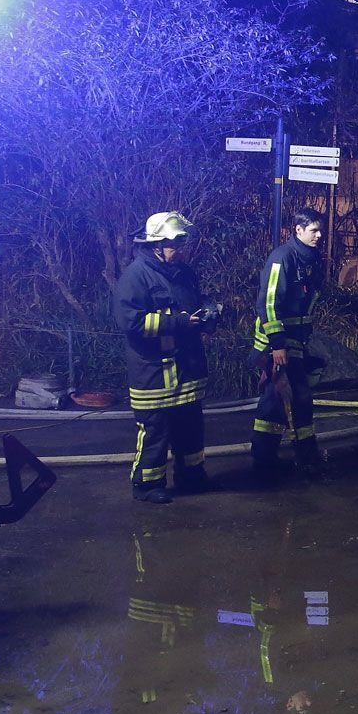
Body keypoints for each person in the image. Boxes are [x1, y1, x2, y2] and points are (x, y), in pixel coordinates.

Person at [116, 212, 223, 504]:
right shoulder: (136, 276)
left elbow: (195, 301)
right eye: (173, 245)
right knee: (155, 430)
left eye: (179, 245)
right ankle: (147, 485)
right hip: (154, 371)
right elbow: (131, 322)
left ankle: (191, 475)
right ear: (155, 245)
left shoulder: (183, 272)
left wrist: (210, 313)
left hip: (186, 368)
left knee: (190, 425)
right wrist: (177, 323)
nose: (178, 251)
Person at [250, 209, 327, 483]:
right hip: (278, 345)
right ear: (298, 230)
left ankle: (270, 458)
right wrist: (277, 345)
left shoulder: (308, 258)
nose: (319, 235)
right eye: (313, 230)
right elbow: (268, 304)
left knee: (283, 402)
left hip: (295, 342)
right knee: (292, 399)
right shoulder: (282, 258)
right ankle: (297, 458)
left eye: (320, 230)